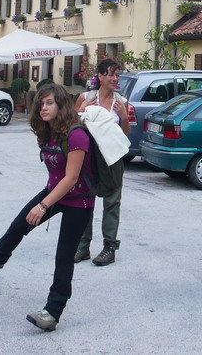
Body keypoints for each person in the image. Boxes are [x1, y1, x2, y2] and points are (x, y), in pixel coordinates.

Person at [0, 84, 95, 332]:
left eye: (49, 103)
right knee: (20, 224)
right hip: (55, 191)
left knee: (64, 256)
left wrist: (43, 205)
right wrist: (44, 201)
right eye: (40, 103)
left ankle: (52, 313)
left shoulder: (76, 135)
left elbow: (71, 178)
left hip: (79, 200)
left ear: (61, 105)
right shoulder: (49, 132)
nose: (43, 108)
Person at [72, 58, 130, 266]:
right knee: (85, 201)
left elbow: (125, 133)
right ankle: (83, 246)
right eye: (111, 74)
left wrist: (123, 117)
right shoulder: (85, 98)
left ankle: (109, 247)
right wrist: (80, 112)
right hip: (87, 157)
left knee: (112, 202)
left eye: (117, 75)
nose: (115, 79)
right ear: (100, 76)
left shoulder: (121, 102)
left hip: (112, 158)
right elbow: (72, 128)